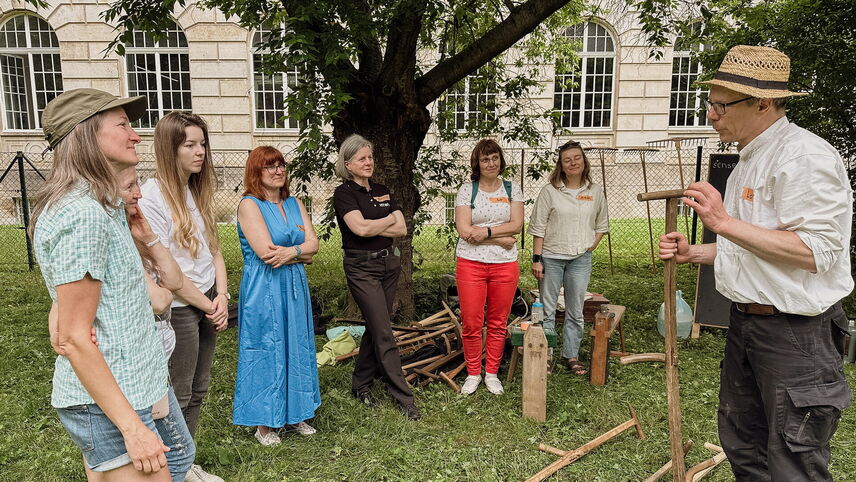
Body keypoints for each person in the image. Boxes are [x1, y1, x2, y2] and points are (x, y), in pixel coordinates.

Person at [659, 45, 852, 481]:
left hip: (796, 334)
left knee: (792, 462)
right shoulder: (749, 157)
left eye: (721, 105)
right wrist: (698, 252)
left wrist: (722, 223)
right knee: (744, 445)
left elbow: (816, 252)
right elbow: (756, 248)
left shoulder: (804, 157)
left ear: (763, 102)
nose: (711, 114)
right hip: (747, 326)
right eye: (711, 103)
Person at [32, 88, 186, 481]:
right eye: (123, 125)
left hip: (135, 381)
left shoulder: (103, 204)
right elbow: (75, 339)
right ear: (86, 136)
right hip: (110, 401)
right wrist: (132, 429)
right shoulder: (82, 215)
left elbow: (77, 292)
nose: (136, 135)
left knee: (182, 462)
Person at [49, 166, 204, 481]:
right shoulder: (101, 237)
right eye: (131, 186)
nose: (139, 193)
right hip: (125, 373)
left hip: (151, 365)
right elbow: (161, 300)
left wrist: (149, 238)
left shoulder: (132, 233)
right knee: (166, 455)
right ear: (107, 191)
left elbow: (173, 281)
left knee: (174, 453)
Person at [138, 111, 228, 482]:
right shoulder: (151, 196)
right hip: (180, 308)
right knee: (178, 393)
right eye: (189, 144)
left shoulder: (195, 190)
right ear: (169, 148)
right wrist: (209, 307)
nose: (200, 151)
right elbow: (169, 273)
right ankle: (173, 468)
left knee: (200, 388)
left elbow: (215, 250)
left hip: (208, 300)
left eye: (202, 143)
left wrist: (222, 295)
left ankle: (185, 462)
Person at [232, 146, 321, 445]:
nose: (278, 170)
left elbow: (314, 246)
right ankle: (264, 424)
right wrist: (301, 253)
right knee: (266, 347)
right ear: (256, 172)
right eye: (269, 166)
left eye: (281, 165)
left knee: (297, 344)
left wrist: (294, 253)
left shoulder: (295, 203)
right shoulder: (249, 205)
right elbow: (266, 254)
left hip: (294, 285)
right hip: (264, 287)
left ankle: (297, 413)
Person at [332, 134, 420, 420]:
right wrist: (385, 222)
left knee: (375, 325)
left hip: (389, 265)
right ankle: (405, 400)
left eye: (370, 157)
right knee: (384, 331)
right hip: (361, 268)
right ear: (348, 164)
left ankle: (361, 385)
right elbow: (360, 230)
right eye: (362, 158)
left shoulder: (383, 189)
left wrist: (375, 224)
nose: (368, 162)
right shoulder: (344, 194)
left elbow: (402, 229)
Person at [529, 141, 608, 375]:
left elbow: (601, 225)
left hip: (579, 260)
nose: (573, 163)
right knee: (548, 309)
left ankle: (571, 355)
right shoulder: (550, 191)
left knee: (575, 310)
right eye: (567, 160)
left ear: (584, 161)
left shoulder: (594, 192)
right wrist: (536, 259)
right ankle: (547, 354)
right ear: (561, 166)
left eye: (577, 158)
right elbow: (538, 227)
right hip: (551, 258)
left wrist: (589, 247)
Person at [453, 139, 523, 395]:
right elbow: (463, 230)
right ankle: (473, 373)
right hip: (471, 264)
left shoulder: (512, 189)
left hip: (504, 265)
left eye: (494, 158)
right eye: (485, 159)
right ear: (478, 163)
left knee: (497, 322)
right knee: (472, 322)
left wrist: (486, 231)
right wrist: (500, 238)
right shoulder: (466, 190)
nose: (491, 163)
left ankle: (491, 373)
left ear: (500, 161)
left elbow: (517, 225)